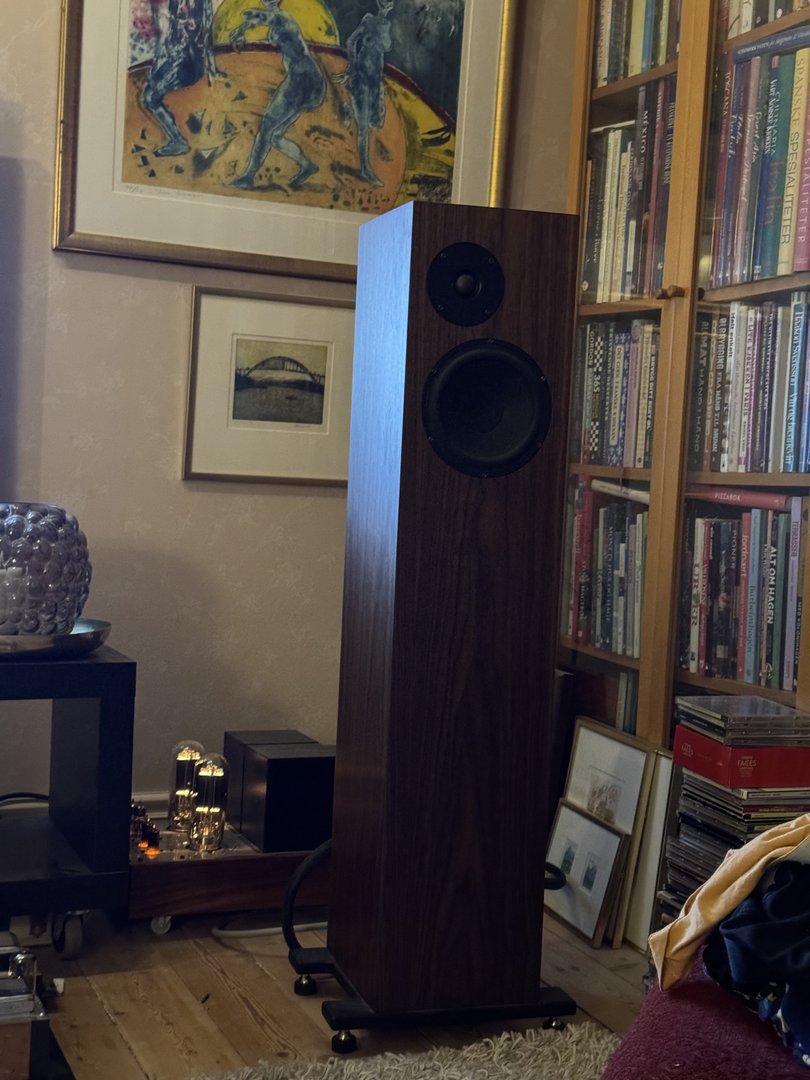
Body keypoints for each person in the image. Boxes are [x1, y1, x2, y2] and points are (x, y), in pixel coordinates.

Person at [229, 0, 326, 189]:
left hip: (301, 81)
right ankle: (307, 166)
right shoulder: (277, 18)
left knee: (267, 125)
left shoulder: (282, 18)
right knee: (275, 135)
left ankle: (248, 177)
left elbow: (252, 15)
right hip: (305, 79)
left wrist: (242, 26)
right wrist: (243, 28)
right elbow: (263, 19)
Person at [141, 0, 221, 157]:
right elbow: (170, 30)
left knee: (150, 97)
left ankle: (178, 142)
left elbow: (205, 35)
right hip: (174, 58)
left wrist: (212, 69)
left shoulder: (201, 4)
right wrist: (159, 61)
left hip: (186, 63)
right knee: (150, 92)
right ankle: (177, 141)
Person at [336, 0, 394, 186]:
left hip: (374, 80)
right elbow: (351, 41)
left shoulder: (386, 25)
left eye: (389, 2)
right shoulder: (368, 20)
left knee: (374, 122)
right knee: (363, 127)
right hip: (360, 77)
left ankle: (348, 110)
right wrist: (353, 67)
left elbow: (387, 46)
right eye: (383, 1)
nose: (385, 4)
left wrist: (382, 31)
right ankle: (365, 168)